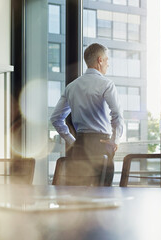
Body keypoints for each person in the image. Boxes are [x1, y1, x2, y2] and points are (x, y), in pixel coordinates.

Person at [50, 43, 124, 186]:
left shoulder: (71, 87)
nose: (108, 64)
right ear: (100, 60)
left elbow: (55, 119)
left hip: (80, 146)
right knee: (103, 193)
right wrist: (115, 141)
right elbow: (117, 115)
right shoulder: (106, 84)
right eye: (107, 60)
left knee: (79, 193)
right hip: (101, 145)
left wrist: (72, 141)